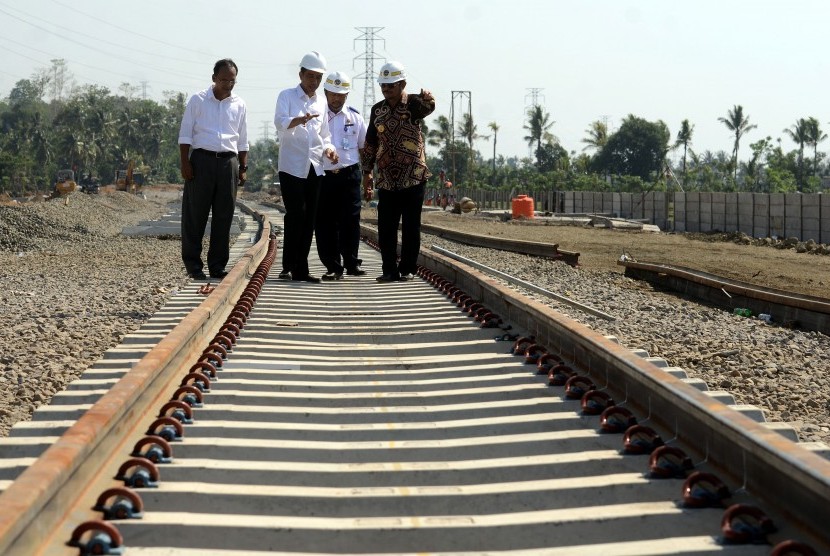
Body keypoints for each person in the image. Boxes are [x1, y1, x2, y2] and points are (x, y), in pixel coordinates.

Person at [361, 61, 435, 282]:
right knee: (387, 227)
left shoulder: (414, 103)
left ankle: (408, 268)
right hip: (387, 179)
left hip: (413, 176)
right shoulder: (377, 110)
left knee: (411, 226)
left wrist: (429, 98)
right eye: (383, 85)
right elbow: (370, 143)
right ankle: (389, 270)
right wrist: (367, 173)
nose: (386, 89)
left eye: (391, 85)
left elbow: (429, 108)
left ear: (402, 83)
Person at [178, 58, 249, 280]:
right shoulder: (198, 101)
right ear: (214, 78)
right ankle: (193, 266)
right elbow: (185, 135)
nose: (228, 84)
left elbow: (243, 140)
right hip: (202, 161)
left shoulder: (239, 104)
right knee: (195, 215)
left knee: (223, 216)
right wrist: (185, 163)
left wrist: (243, 167)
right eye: (224, 80)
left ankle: (217, 266)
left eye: (232, 80)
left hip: (228, 163)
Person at [274, 51, 339, 283]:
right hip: (291, 166)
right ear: (300, 74)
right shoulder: (287, 96)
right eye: (310, 76)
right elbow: (279, 122)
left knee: (309, 218)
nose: (314, 82)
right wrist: (298, 120)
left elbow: (325, 135)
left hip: (315, 166)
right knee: (296, 215)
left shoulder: (321, 102)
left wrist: (329, 150)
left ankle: (299, 268)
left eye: (318, 78)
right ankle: (291, 265)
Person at [316, 71, 368, 280]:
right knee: (325, 222)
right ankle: (332, 266)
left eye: (341, 94)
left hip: (349, 175)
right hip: (324, 176)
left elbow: (364, 148)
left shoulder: (355, 117)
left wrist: (368, 175)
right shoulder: (317, 116)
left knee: (351, 221)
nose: (336, 98)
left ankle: (352, 263)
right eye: (333, 94)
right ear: (326, 92)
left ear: (347, 95)